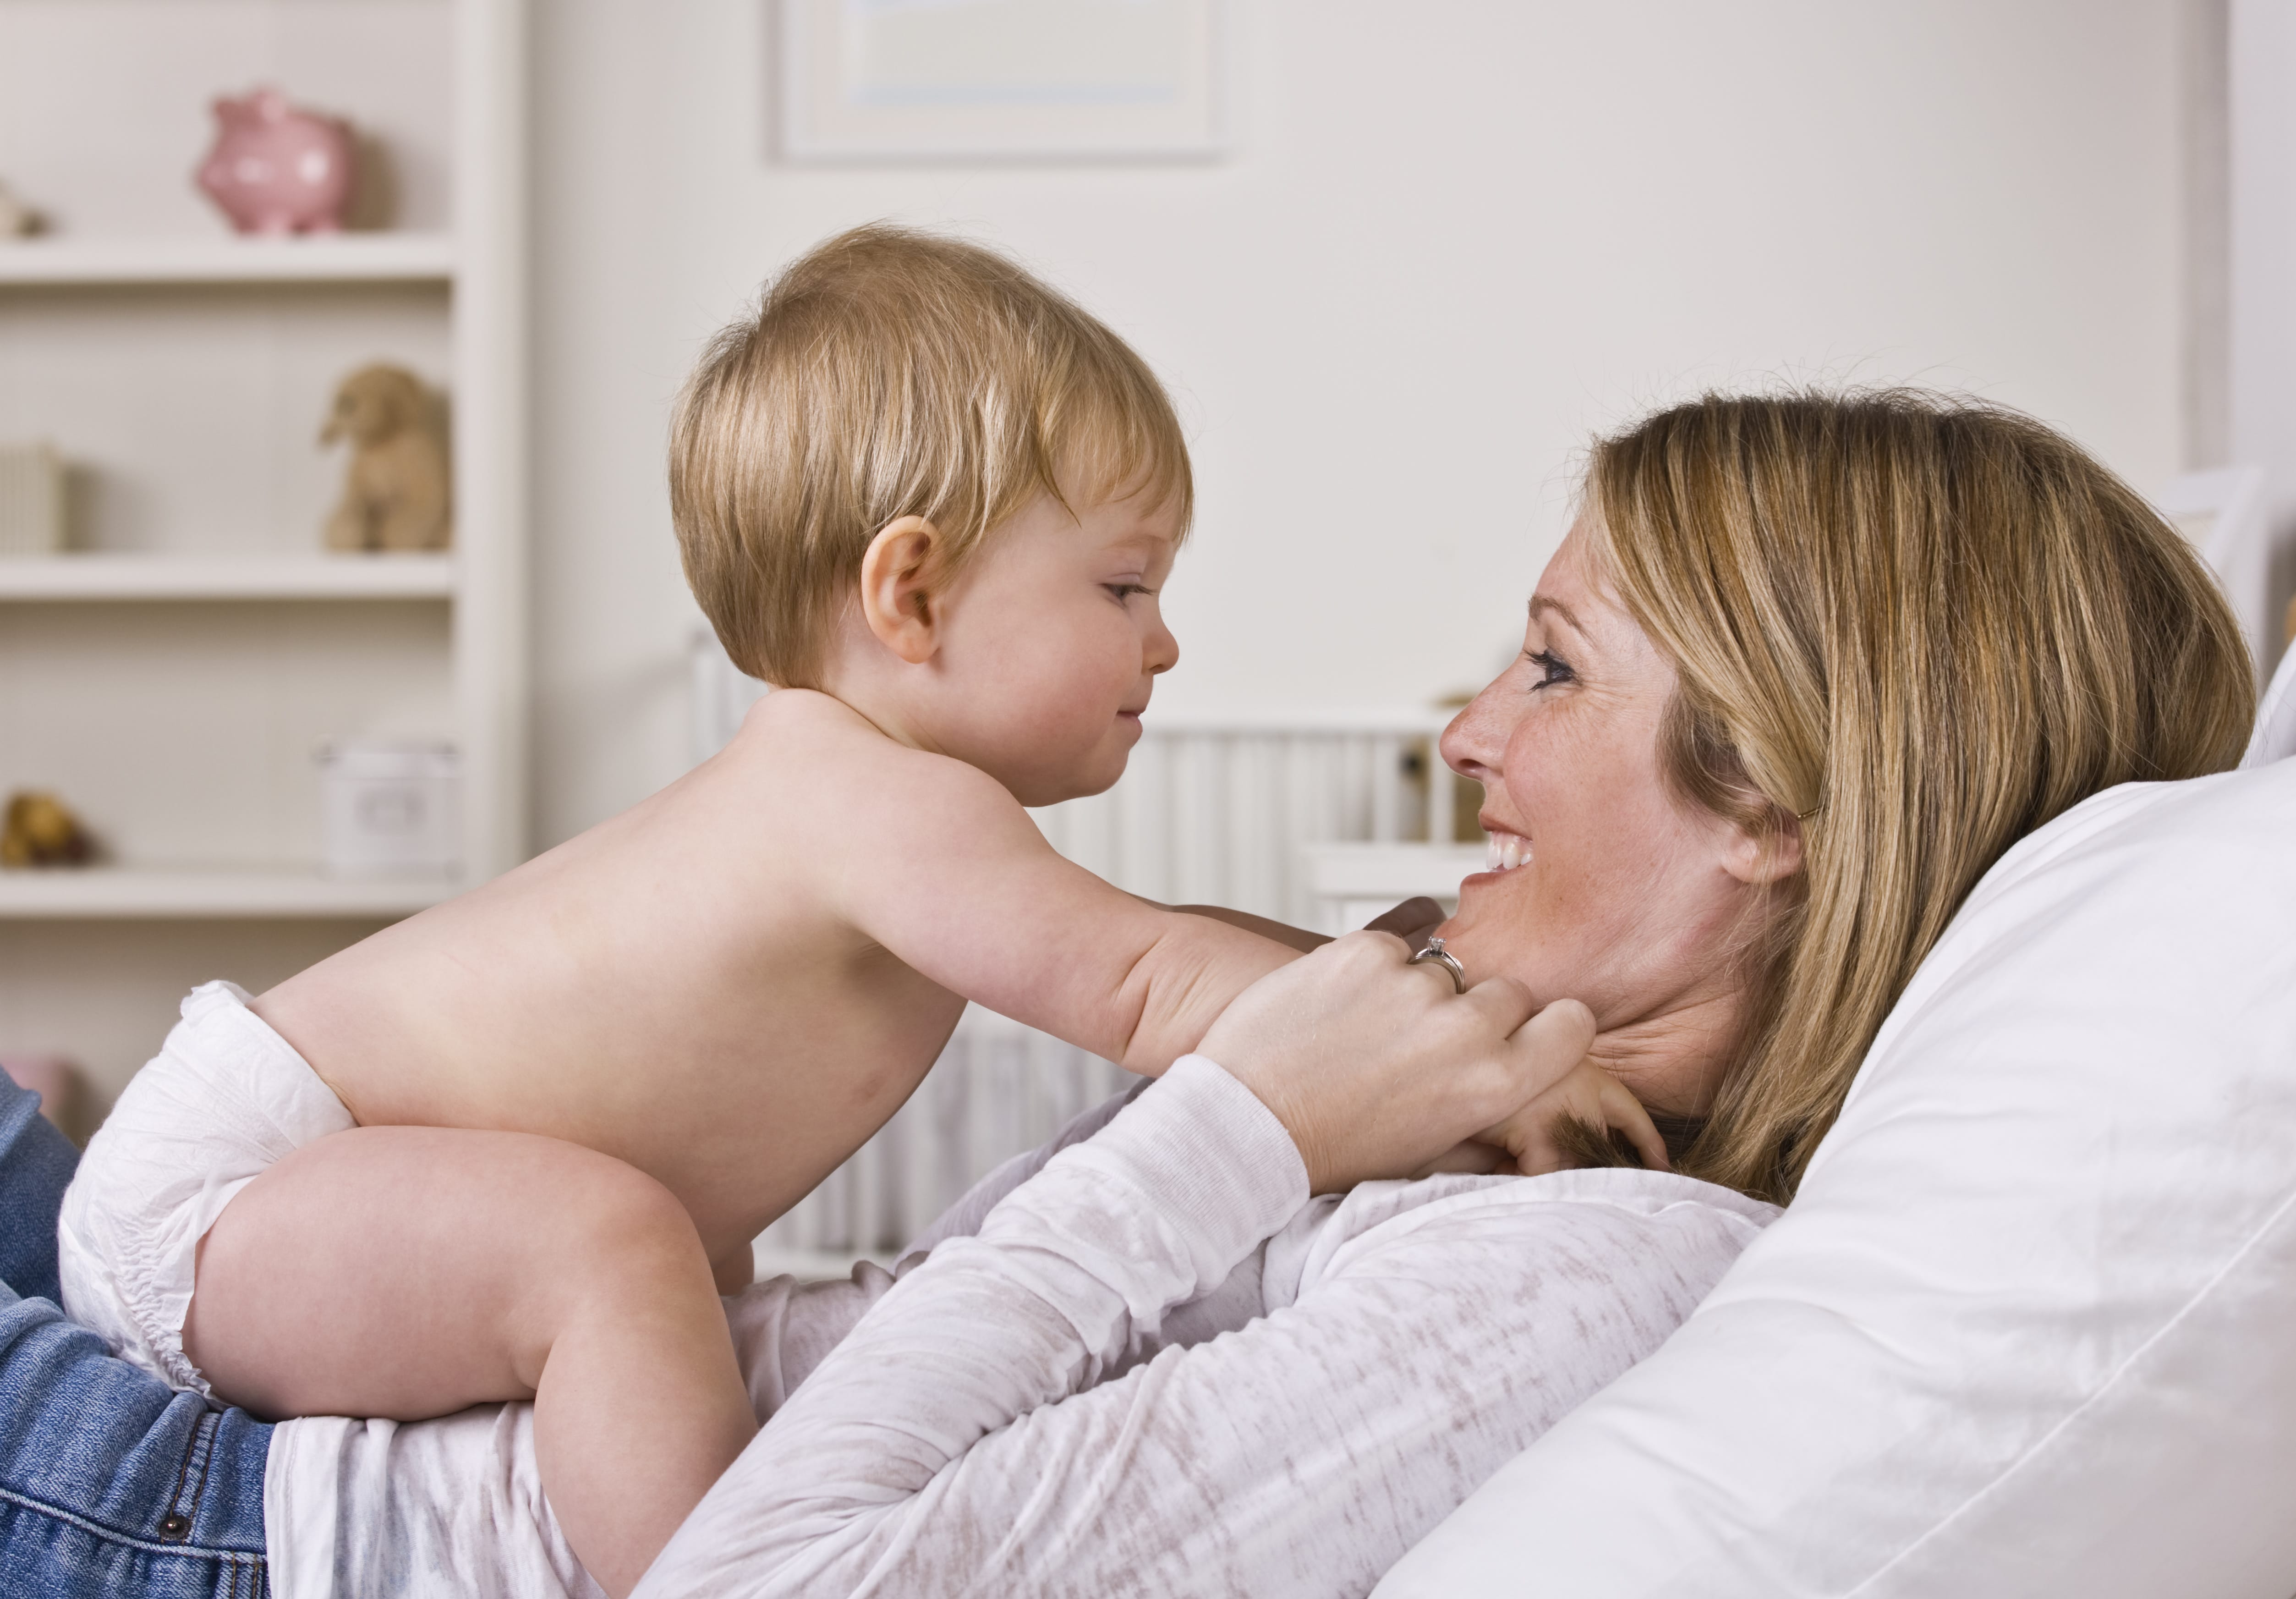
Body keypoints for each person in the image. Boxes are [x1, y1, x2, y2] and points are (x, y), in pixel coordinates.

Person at [54, 226, 1646, 1598]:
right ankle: (712, 1569)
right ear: (912, 593)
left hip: (297, 1192)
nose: (1161, 645)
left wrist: (1389, 975)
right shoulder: (860, 795)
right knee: (609, 1247)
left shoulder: (899, 813)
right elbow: (1155, 985)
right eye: (1121, 587)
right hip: (236, 1181)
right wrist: (1479, 1041)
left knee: (653, 1257)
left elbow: (1161, 941)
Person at [629, 388, 2256, 1596]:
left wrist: (1235, 1124)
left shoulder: (1590, 1265)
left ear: (1766, 797)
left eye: (1550, 665)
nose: (1464, 733)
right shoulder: (1460, 1108)